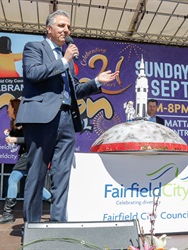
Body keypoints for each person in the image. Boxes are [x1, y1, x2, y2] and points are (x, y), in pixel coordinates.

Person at [16, 10, 119, 223]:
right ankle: (33, 226)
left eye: (69, 27)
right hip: (41, 119)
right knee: (36, 173)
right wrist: (63, 60)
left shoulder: (68, 61)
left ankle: (58, 224)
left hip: (67, 120)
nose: (67, 30)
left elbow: (75, 91)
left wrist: (97, 81)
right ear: (49, 29)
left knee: (62, 175)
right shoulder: (34, 48)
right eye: (62, 26)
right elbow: (33, 73)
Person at [0, 98, 51, 224]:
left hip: (28, 155)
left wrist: (14, 140)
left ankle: (8, 213)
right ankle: (55, 202)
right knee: (35, 183)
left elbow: (31, 139)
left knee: (13, 179)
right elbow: (18, 135)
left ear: (15, 108)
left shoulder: (25, 121)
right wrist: (10, 134)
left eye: (9, 106)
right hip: (27, 155)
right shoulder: (16, 123)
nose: (7, 109)